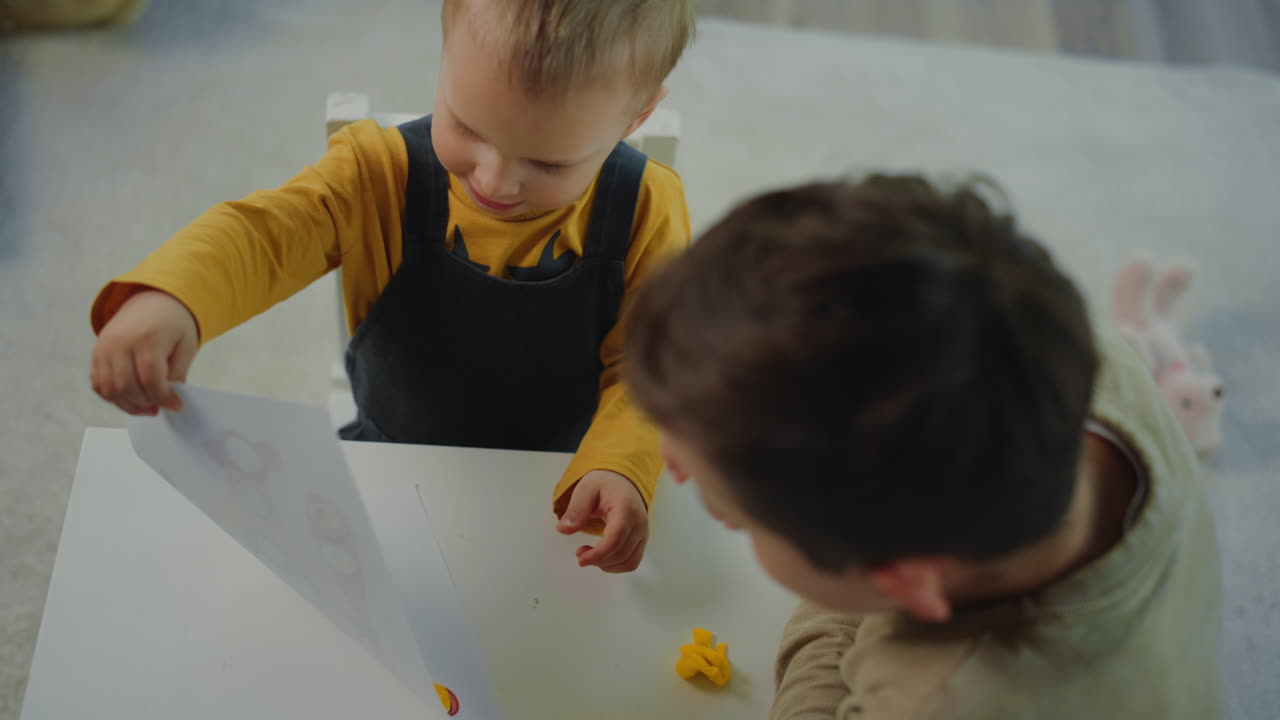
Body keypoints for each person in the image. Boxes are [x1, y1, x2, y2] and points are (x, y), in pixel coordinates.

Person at [89, 0, 695, 573]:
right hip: (388, 465)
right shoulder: (375, 171)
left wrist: (622, 466)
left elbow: (654, 365)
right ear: (444, 55)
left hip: (561, 489)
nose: (494, 179)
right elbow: (263, 235)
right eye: (467, 125)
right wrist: (174, 297)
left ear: (634, 118)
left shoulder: (647, 206)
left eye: (549, 163)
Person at [625, 176, 1223, 718]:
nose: (673, 467)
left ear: (902, 584)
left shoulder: (940, 699)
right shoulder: (1066, 354)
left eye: (727, 515)